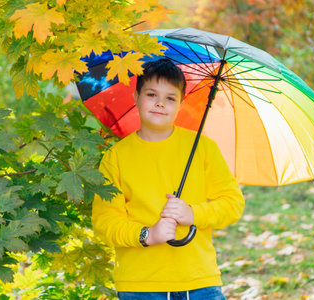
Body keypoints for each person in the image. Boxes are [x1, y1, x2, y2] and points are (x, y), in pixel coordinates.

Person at [91, 58, 245, 300]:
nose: (160, 103)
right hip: (139, 286)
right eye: (152, 94)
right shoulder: (116, 158)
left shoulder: (202, 148)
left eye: (170, 98)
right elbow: (105, 220)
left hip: (198, 282)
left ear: (181, 104)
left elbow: (232, 203)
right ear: (136, 97)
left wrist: (193, 213)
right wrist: (146, 235)